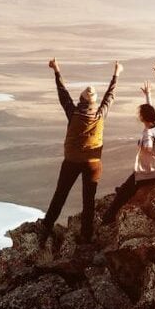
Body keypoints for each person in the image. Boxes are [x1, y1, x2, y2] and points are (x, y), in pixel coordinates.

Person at [39, 58, 120, 245]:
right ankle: (86, 235)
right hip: (93, 164)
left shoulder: (73, 113)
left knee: (60, 195)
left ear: (82, 100)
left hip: (72, 161)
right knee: (88, 200)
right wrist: (116, 74)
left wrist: (56, 70)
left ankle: (46, 227)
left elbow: (63, 93)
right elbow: (110, 96)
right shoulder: (100, 115)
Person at [101, 82, 155, 223]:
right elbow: (151, 113)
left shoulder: (148, 133)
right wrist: (148, 95)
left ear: (142, 118)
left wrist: (142, 145)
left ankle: (108, 218)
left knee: (122, 194)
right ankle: (129, 188)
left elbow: (148, 147)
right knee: (128, 184)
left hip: (149, 173)